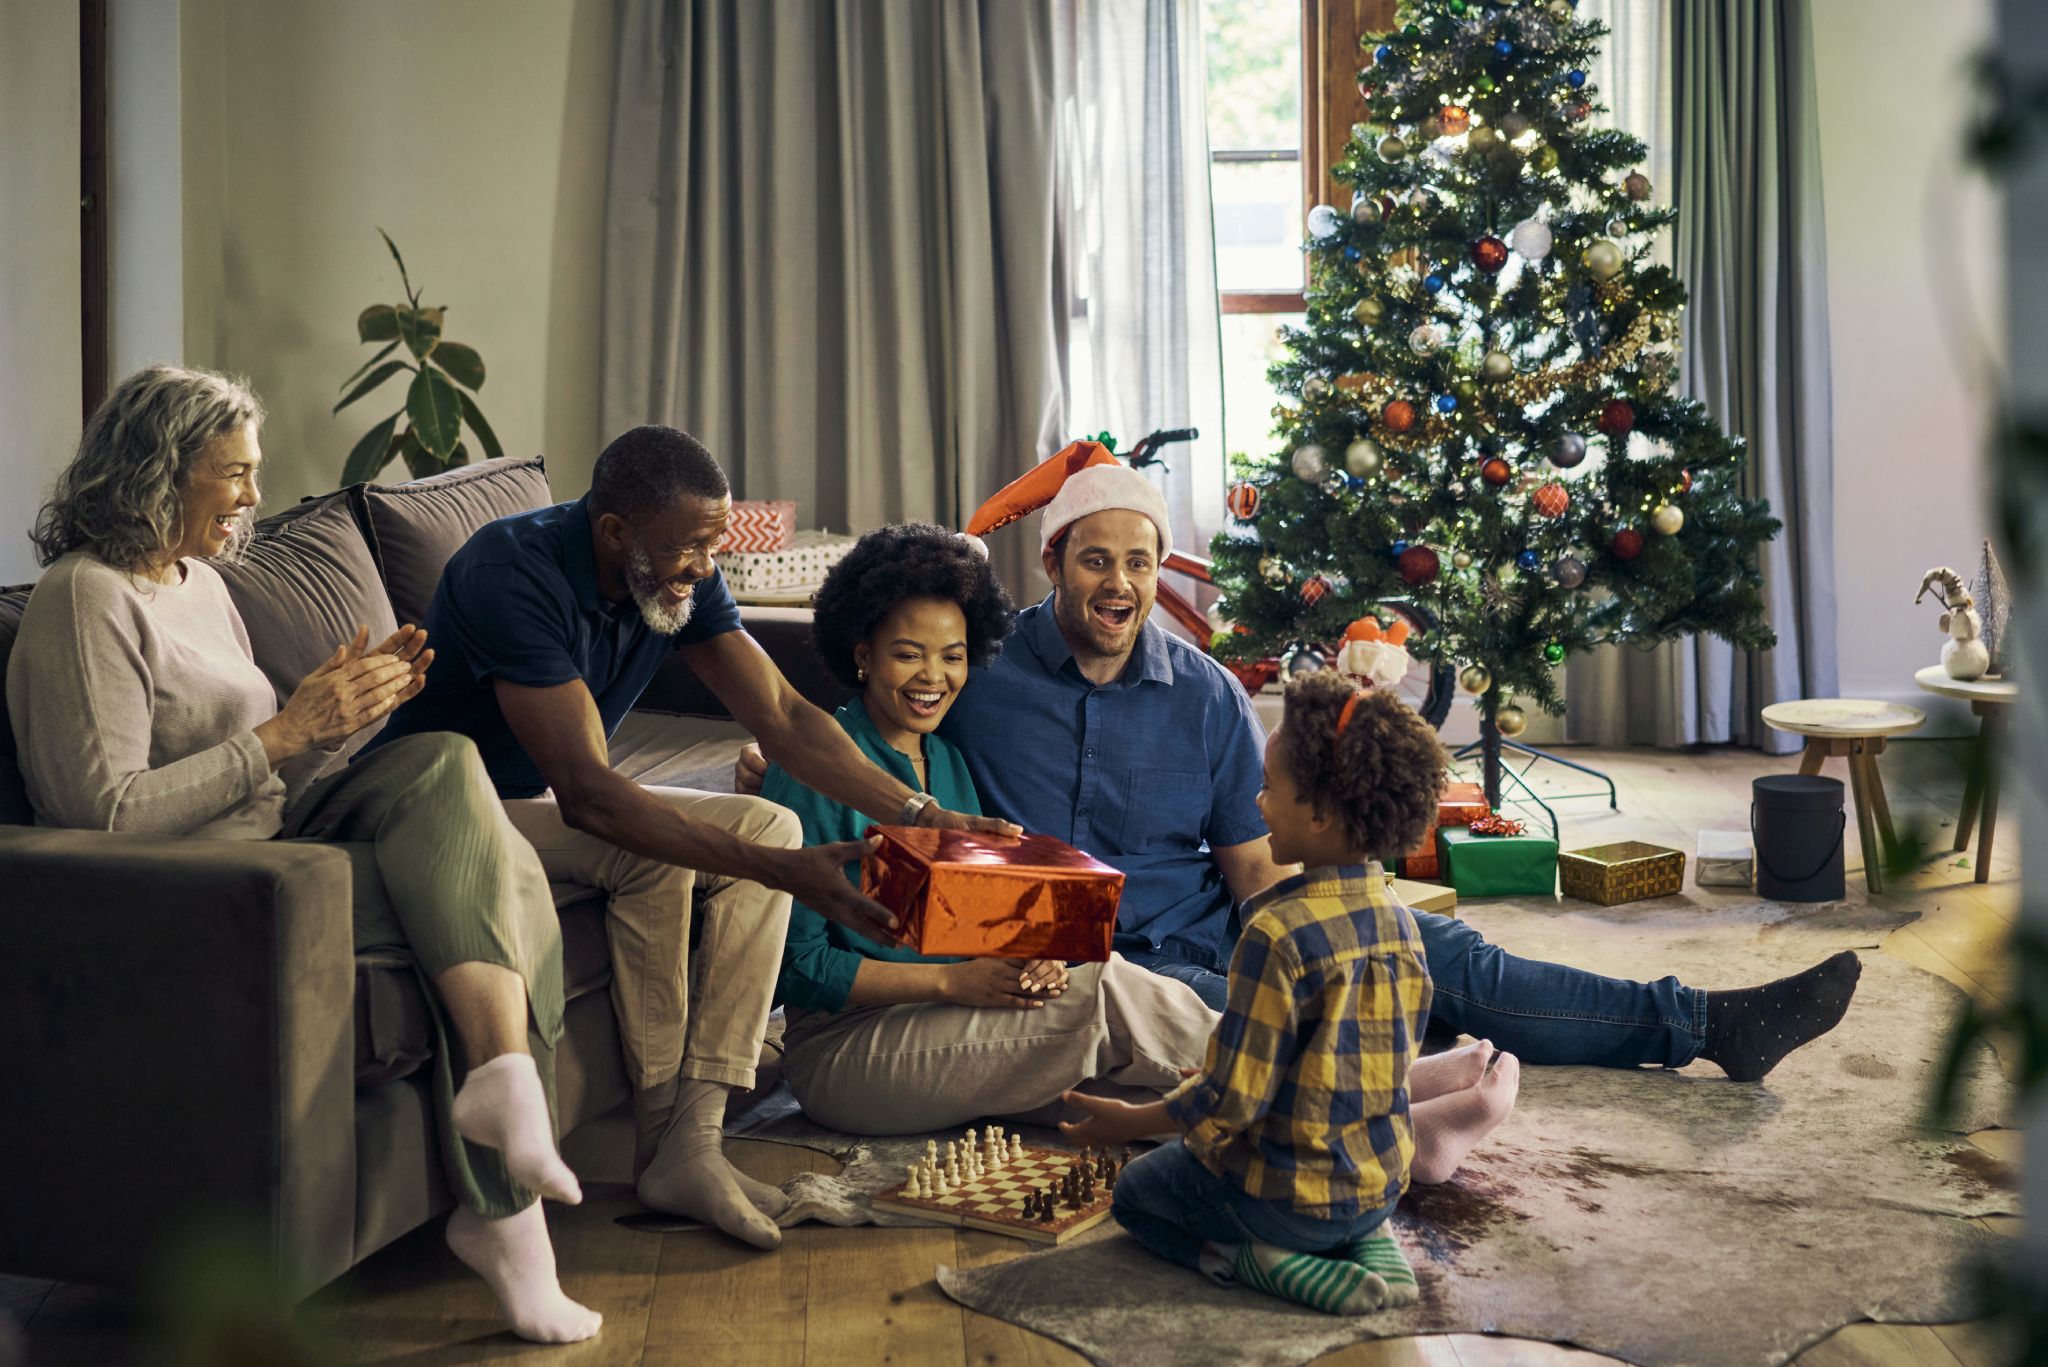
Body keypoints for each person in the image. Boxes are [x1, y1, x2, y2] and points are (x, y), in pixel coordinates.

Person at [740, 451, 1861, 1080]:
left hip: (1214, 926)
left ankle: (1706, 1023)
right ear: (1053, 563)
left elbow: (1250, 870)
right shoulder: (979, 675)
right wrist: (776, 746)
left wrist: (1346, 931)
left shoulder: (1210, 698)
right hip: (1101, 965)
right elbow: (890, 702)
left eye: (1138, 559)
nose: (1119, 582)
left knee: (1426, 953)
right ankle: (1398, 1093)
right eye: (1094, 560)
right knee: (1298, 1024)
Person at [8, 366, 599, 1344]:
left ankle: (502, 1097)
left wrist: (338, 716)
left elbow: (265, 766)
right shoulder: (85, 600)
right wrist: (283, 733)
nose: (250, 497)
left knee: (446, 768)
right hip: (206, 890)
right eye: (231, 474)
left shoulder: (200, 582)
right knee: (497, 876)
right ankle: (507, 1217)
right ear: (159, 471)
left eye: (255, 472)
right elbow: (97, 814)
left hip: (276, 834)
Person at [363, 425, 1019, 1249]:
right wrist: (785, 872)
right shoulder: (513, 574)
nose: (706, 568)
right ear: (614, 533)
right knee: (709, 850)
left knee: (769, 816)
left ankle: (692, 1143)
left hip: (535, 801)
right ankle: (665, 1140)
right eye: (691, 550)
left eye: (714, 545)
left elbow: (780, 716)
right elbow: (593, 796)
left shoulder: (674, 567)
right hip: (453, 810)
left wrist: (919, 813)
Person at [1061, 677, 1519, 1316]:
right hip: (1380, 1183)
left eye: (1270, 788)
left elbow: (1227, 1102)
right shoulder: (1401, 923)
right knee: (1266, 1163)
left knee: (1138, 1193)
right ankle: (1367, 1237)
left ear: (1321, 813)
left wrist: (1130, 1121)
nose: (1257, 802)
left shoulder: (1274, 932)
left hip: (1290, 1203)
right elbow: (1354, 1064)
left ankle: (1255, 1262)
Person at [757, 523, 1220, 1135]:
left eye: (953, 656)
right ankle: (1311, 1084)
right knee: (1106, 992)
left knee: (1148, 1101)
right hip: (844, 1050)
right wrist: (954, 981)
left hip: (943, 1022)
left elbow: (976, 917)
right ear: (863, 654)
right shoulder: (817, 766)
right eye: (908, 653)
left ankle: (1295, 1138)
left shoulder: (946, 760)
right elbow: (795, 968)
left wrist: (1035, 962)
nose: (933, 677)